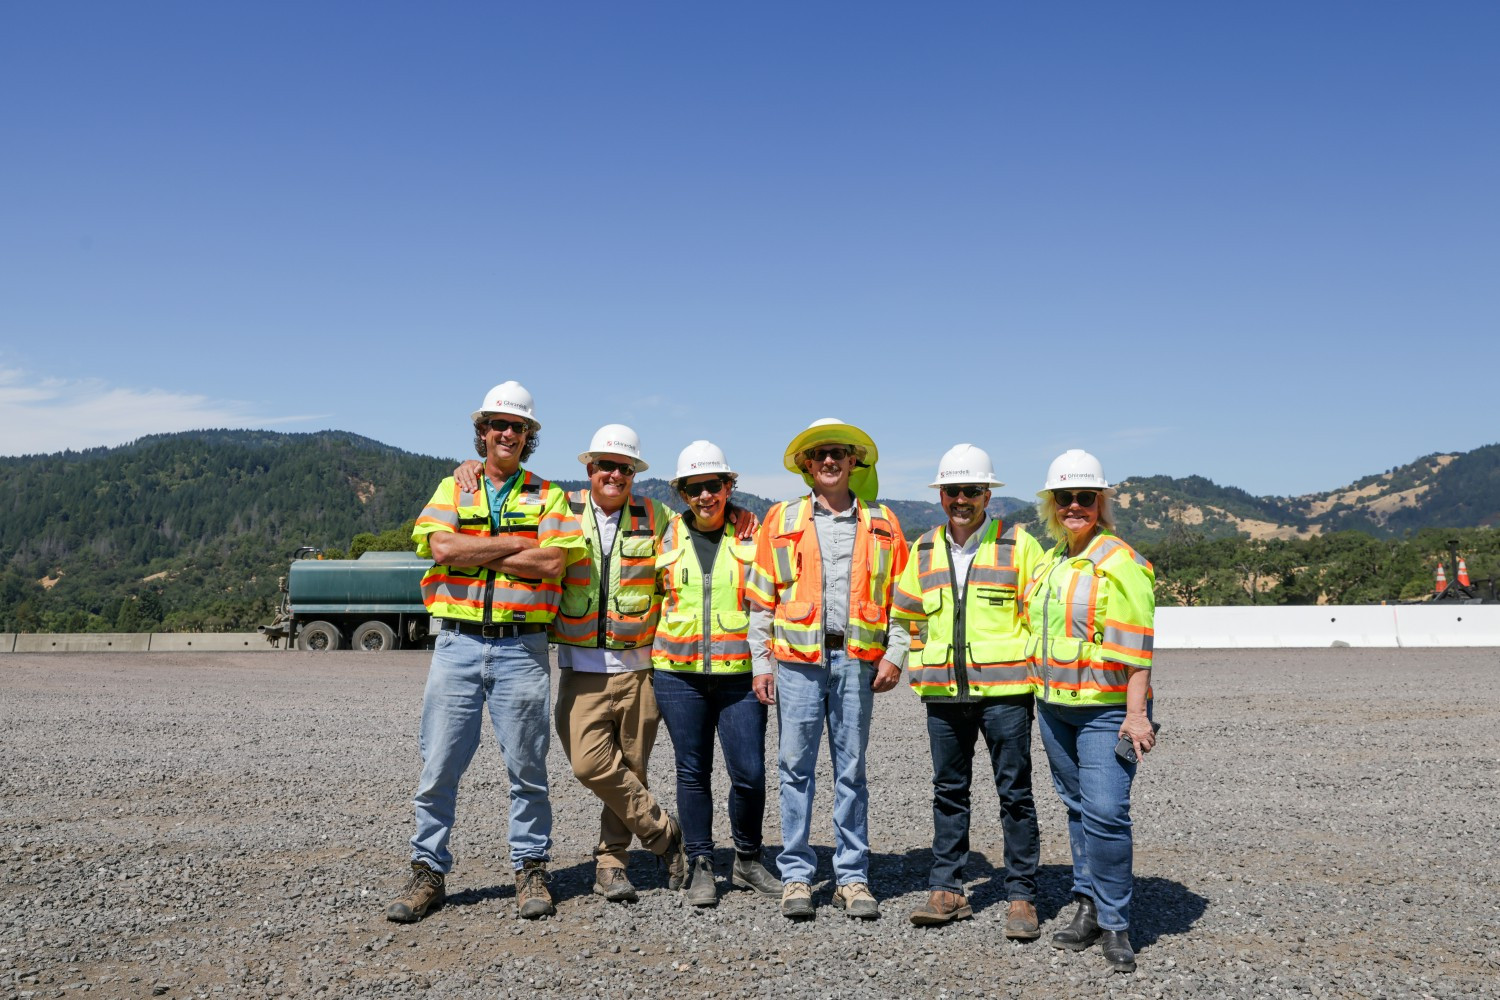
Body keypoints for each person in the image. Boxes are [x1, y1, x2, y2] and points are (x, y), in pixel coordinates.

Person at [452, 424, 755, 903]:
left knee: (632, 769)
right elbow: (506, 501)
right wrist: (468, 466)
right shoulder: (560, 508)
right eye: (606, 466)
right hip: (581, 666)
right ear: (589, 469)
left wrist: (740, 513)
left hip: (640, 668)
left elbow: (704, 521)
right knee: (589, 764)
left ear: (634, 473)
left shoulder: (656, 516)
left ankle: (612, 864)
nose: (615, 474)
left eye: (625, 467)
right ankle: (663, 834)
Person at [387, 380, 586, 923]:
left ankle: (530, 868)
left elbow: (552, 565)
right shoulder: (452, 487)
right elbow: (441, 546)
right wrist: (518, 544)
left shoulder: (550, 496)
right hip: (455, 642)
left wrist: (475, 555)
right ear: (483, 433)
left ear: (528, 436)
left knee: (527, 769)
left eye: (517, 427)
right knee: (439, 767)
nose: (507, 433)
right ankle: (428, 871)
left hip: (522, 647)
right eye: (498, 425)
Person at [746, 418, 910, 920]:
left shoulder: (883, 523)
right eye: (820, 455)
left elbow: (904, 600)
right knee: (794, 769)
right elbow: (761, 598)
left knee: (852, 771)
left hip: (857, 662)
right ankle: (797, 876)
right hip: (796, 665)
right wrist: (761, 662)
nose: (830, 461)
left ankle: (852, 876)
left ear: (854, 461)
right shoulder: (781, 518)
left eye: (840, 453)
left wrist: (895, 654)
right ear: (807, 466)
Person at [889, 444, 1045, 937]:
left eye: (972, 490)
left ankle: (1021, 895)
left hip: (1005, 695)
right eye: (953, 490)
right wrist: (919, 658)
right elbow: (907, 616)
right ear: (941, 495)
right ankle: (947, 888)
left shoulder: (1020, 546)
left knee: (1014, 793)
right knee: (948, 792)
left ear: (987, 495)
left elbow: (1039, 618)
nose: (962, 499)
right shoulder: (923, 549)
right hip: (942, 695)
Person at [1022, 449, 1156, 974]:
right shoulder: (1054, 559)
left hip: (1105, 711)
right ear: (1051, 504)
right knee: (1077, 808)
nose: (1074, 506)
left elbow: (1137, 649)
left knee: (1106, 811)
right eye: (1064, 498)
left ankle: (1117, 922)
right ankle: (1087, 904)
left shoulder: (1121, 562)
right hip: (1055, 706)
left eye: (1085, 497)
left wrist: (1136, 715)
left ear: (1101, 502)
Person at [651, 441, 782, 907]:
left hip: (740, 675)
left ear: (729, 486)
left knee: (748, 772)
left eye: (714, 485)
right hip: (677, 674)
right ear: (682, 493)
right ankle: (702, 863)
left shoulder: (756, 534)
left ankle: (747, 860)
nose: (705, 495)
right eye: (694, 488)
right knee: (693, 772)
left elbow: (773, 598)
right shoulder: (663, 536)